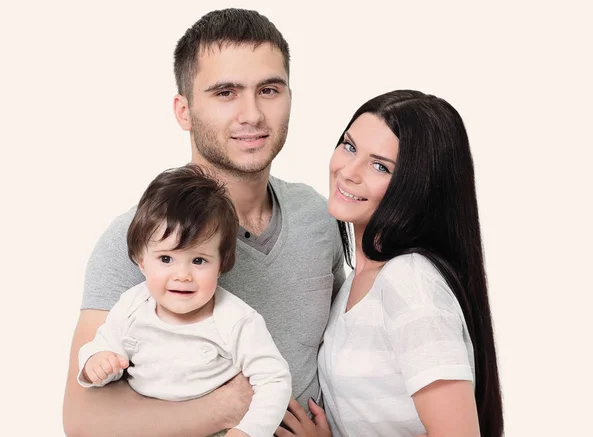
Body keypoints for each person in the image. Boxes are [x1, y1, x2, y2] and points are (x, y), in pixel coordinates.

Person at [63, 8, 346, 437]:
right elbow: (84, 422)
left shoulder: (319, 217)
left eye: (269, 89)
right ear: (184, 111)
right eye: (225, 92)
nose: (251, 114)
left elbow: (349, 354)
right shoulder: (142, 239)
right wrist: (226, 410)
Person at [277, 90, 503, 437]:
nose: (348, 171)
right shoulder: (359, 279)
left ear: (417, 186)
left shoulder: (409, 282)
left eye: (380, 166)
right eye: (349, 146)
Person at [77, 164, 292, 437]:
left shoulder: (235, 320)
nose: (182, 275)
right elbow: (101, 345)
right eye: (166, 259)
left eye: (199, 260)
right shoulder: (132, 305)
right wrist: (95, 362)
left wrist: (247, 431)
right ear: (142, 261)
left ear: (222, 264)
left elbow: (274, 379)